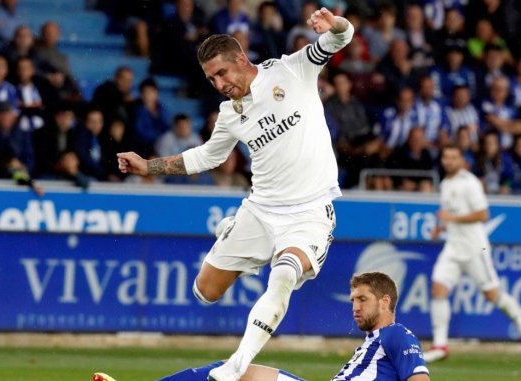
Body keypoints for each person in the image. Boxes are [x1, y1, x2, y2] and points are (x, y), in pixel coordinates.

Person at [116, 7, 351, 381]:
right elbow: (207, 156)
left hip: (308, 213)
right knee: (204, 292)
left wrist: (334, 25)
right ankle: (236, 238)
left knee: (284, 275)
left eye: (223, 73)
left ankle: (237, 363)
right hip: (259, 210)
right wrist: (149, 166)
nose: (220, 84)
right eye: (211, 79)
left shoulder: (291, 70)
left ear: (242, 58)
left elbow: (340, 37)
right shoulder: (229, 113)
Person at [94, 272, 430, 381]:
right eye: (353, 300)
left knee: (233, 372)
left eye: (363, 300)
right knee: (232, 370)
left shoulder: (397, 335)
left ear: (385, 302)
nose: (355, 307)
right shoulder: (375, 341)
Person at [424, 144, 521, 363]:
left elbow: (483, 214)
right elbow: (451, 214)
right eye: (445, 157)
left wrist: (452, 219)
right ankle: (440, 345)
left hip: (475, 248)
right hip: (453, 247)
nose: (448, 161)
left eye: (453, 157)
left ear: (461, 161)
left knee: (492, 295)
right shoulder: (446, 183)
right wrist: (441, 228)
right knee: (438, 288)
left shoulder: (471, 183)